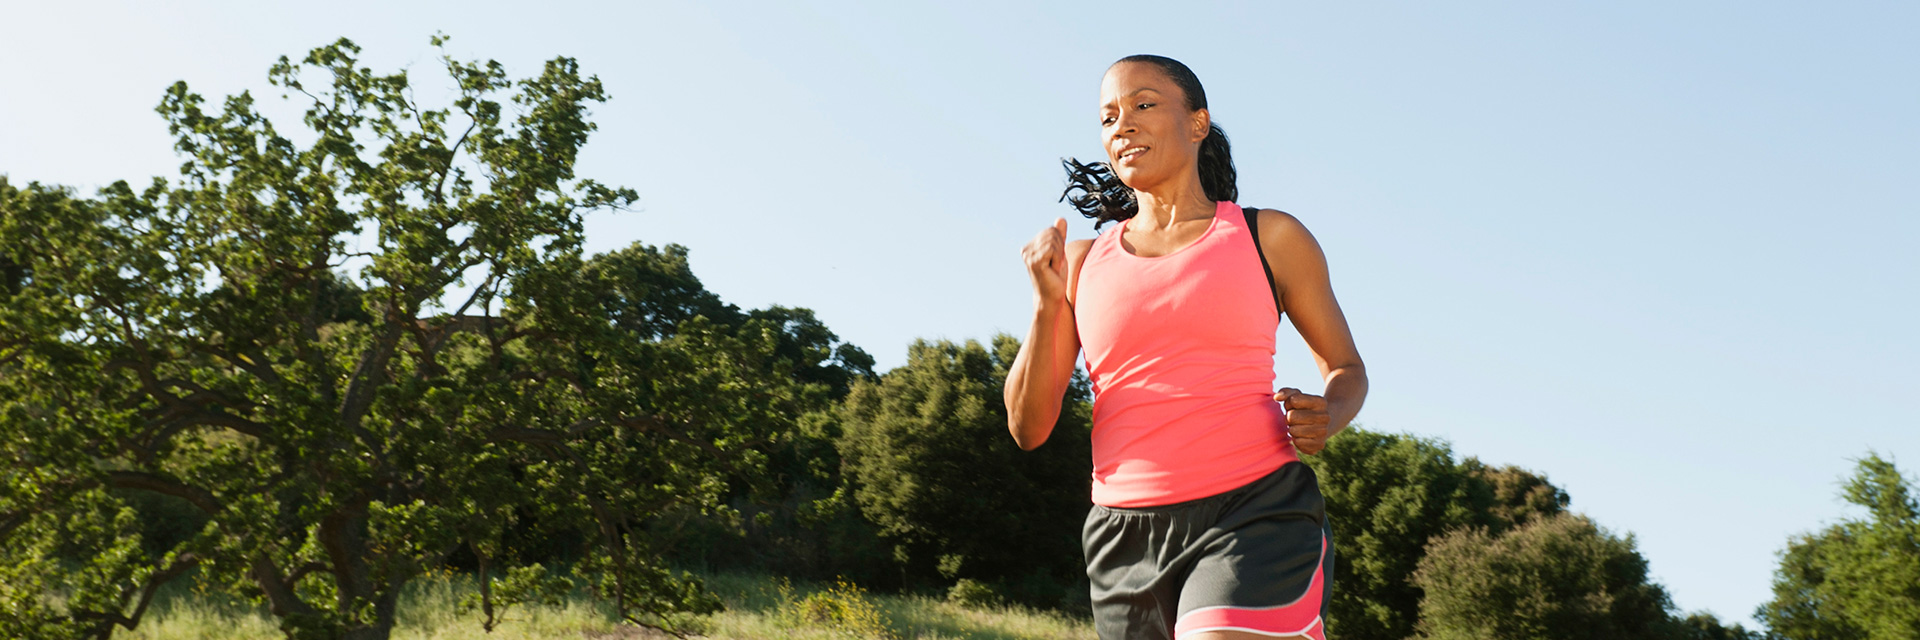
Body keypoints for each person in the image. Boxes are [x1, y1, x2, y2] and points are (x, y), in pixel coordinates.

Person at [1003, 55, 1368, 640]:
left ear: (1197, 123)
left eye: (1144, 105)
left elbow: (1347, 368)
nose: (1122, 126)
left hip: (1255, 510)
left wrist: (1330, 413)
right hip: (1122, 534)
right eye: (1108, 117)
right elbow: (1028, 428)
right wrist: (1047, 307)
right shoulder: (1080, 265)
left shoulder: (1268, 237)